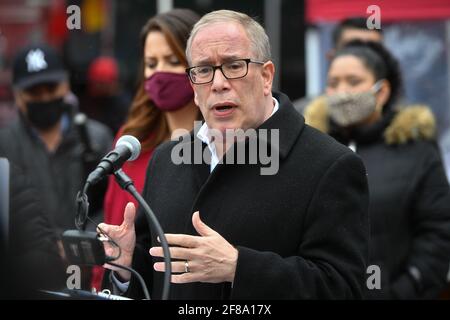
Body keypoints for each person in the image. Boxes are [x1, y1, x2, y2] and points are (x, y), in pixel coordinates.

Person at [99, 9, 370, 300]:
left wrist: (240, 268)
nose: (218, 83)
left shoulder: (330, 165)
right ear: (193, 88)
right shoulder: (167, 160)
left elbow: (343, 288)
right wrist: (124, 268)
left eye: (233, 65)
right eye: (203, 70)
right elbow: (152, 278)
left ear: (266, 76)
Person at [304, 40, 450, 299]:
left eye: (353, 81)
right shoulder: (311, 148)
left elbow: (438, 232)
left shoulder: (415, 150)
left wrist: (407, 288)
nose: (342, 91)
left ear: (381, 92)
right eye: (333, 83)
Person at [91, 8, 201, 290]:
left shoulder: (220, 146)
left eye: (173, 60)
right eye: (152, 63)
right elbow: (113, 227)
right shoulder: (130, 141)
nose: (160, 72)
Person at [0, 44, 113, 290]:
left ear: (66, 86)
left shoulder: (96, 138)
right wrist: (50, 244)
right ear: (18, 96)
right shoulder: (4, 145)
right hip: (27, 278)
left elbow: (112, 201)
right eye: (33, 91)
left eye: (51, 88)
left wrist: (79, 241)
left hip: (87, 274)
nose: (44, 98)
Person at [293, 17, 383, 114]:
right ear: (331, 56)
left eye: (372, 50)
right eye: (351, 50)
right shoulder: (300, 116)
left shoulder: (399, 118)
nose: (361, 58)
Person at [80, 56, 131, 135]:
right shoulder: (87, 100)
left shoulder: (123, 104)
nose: (98, 87)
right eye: (96, 83)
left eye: (102, 84)